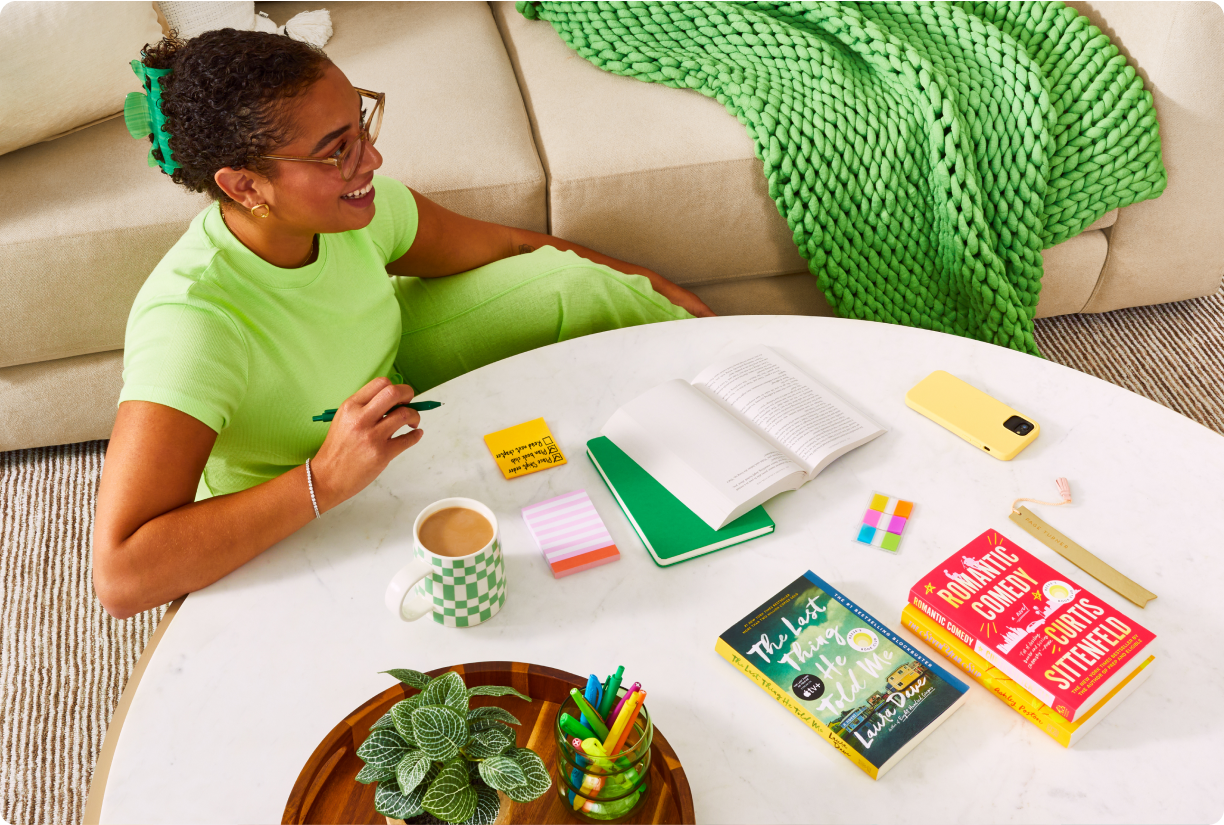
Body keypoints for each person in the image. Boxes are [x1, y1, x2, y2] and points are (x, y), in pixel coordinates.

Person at [93, 30, 712, 620]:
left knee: (575, 284)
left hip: (384, 384)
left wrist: (677, 302)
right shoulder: (192, 325)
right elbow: (120, 577)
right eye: (337, 150)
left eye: (361, 124)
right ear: (245, 185)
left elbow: (513, 248)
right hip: (300, 490)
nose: (373, 158)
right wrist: (324, 480)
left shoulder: (363, 211)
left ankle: (741, 401)